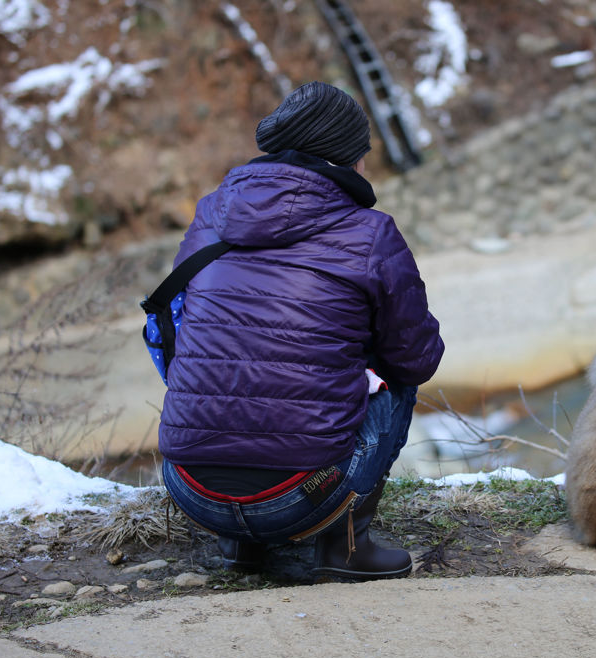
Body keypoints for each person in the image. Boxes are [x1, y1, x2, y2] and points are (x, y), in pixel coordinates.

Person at [158, 81, 444, 580]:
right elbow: (416, 359)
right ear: (344, 157)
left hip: (190, 488)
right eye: (362, 153)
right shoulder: (370, 232)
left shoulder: (210, 215)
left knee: (227, 358)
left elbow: (185, 331)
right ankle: (346, 548)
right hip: (298, 497)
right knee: (395, 380)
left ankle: (240, 548)